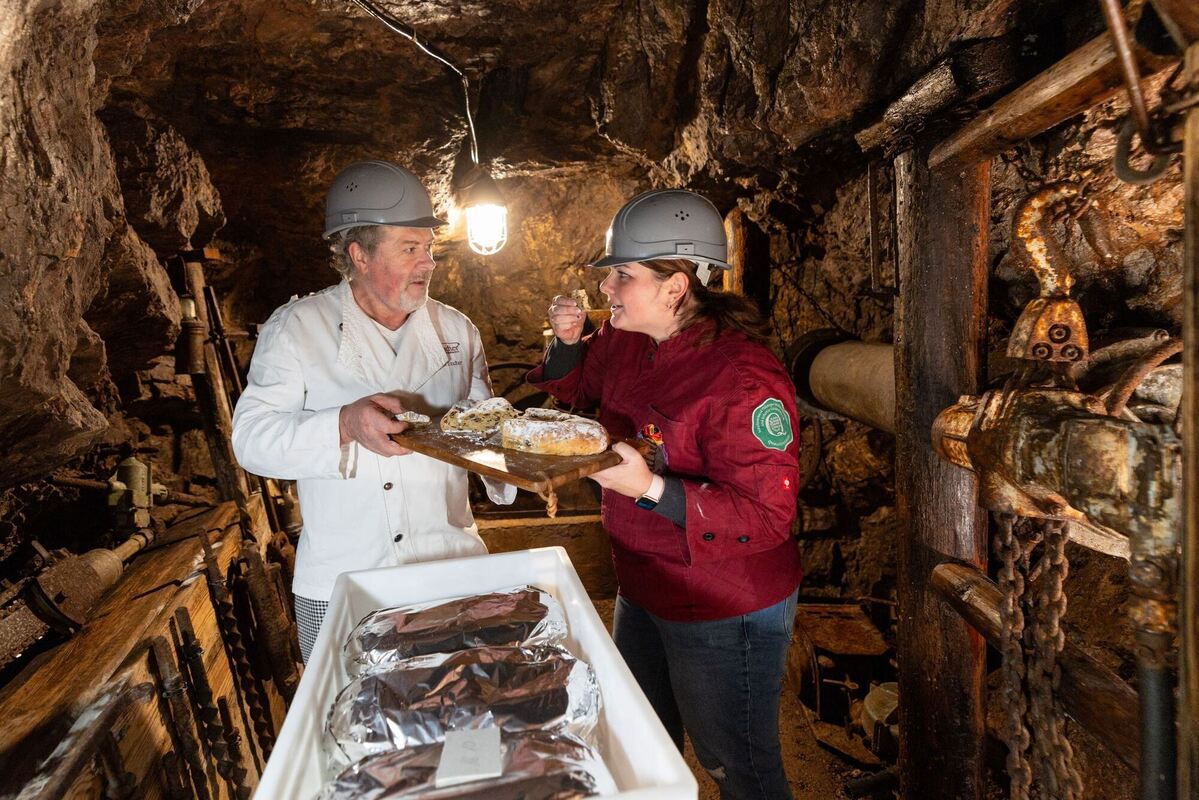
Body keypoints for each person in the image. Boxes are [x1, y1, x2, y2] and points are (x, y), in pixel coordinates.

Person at [529, 189, 803, 800]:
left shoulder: (742, 376)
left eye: (622, 275)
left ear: (676, 286)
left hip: (722, 600)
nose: (608, 289)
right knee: (643, 737)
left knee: (735, 765)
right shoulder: (627, 338)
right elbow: (579, 389)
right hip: (644, 580)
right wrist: (569, 341)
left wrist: (650, 488)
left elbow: (768, 514)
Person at [232, 160, 513, 662]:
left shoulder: (458, 330)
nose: (428, 262)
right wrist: (342, 424)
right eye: (410, 248)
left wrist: (507, 439)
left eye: (428, 247)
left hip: (451, 568)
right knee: (350, 727)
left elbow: (484, 432)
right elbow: (250, 440)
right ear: (358, 254)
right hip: (346, 579)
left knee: (464, 723)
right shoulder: (298, 327)